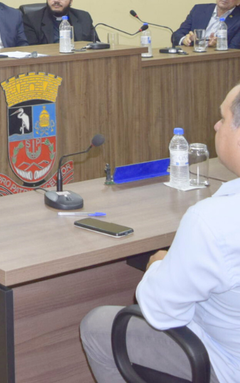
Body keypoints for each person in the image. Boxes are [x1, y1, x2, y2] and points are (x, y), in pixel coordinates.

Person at [79, 83, 240, 382]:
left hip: (227, 366)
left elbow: (161, 312)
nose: (216, 126)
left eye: (223, 118)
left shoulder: (212, 221)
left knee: (98, 325)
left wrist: (158, 266)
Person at [23, 0, 98, 45]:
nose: (56, 0)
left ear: (71, 0)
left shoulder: (84, 17)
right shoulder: (32, 19)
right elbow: (32, 50)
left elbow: (96, 46)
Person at [171, 0, 240, 48]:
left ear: (238, 1)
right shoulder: (198, 10)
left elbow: (235, 48)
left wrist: (218, 46)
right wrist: (185, 40)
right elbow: (177, 35)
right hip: (193, 53)